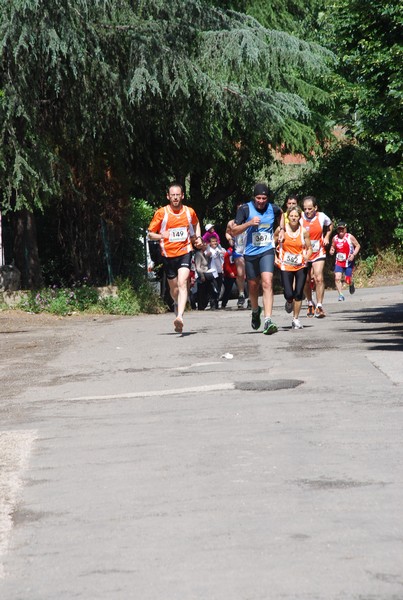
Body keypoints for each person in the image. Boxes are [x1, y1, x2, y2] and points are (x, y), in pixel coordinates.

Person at [148, 182, 202, 333]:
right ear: (168, 196)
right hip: (168, 255)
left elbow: (196, 224)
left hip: (185, 251)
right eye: (173, 195)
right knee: (175, 289)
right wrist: (161, 235)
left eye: (178, 195)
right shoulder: (161, 213)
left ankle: (180, 317)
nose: (176, 198)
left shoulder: (189, 212)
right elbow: (150, 234)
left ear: (182, 196)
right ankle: (177, 304)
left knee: (183, 282)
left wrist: (197, 237)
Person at [232, 183, 282, 334]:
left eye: (264, 198)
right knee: (253, 286)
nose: (261, 201)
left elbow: (282, 214)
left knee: (267, 282)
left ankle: (268, 320)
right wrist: (248, 223)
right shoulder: (245, 209)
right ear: (254, 197)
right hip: (250, 252)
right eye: (258, 198)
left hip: (267, 250)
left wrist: (282, 230)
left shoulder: (273, 208)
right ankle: (255, 310)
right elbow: (234, 230)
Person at [275, 206, 312, 329]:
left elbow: (310, 248)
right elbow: (271, 244)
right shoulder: (281, 231)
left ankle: (295, 319)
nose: (294, 218)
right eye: (291, 216)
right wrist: (274, 258)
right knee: (288, 293)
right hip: (286, 265)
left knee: (299, 293)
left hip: (300, 265)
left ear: (300, 217)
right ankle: (289, 301)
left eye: (296, 216)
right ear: (287, 217)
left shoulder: (304, 232)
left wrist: (307, 256)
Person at [301, 196, 333, 318]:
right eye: (305, 209)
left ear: (315, 208)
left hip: (318, 251)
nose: (307, 211)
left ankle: (319, 305)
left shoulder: (322, 216)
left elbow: (330, 225)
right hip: (304, 253)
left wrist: (327, 237)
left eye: (310, 209)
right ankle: (310, 302)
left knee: (319, 277)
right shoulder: (300, 217)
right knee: (306, 280)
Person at [329, 222, 360, 300]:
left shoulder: (350, 237)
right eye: (339, 229)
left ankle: (351, 283)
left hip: (348, 261)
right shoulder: (335, 238)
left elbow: (358, 245)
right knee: (337, 278)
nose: (341, 231)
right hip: (339, 261)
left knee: (347, 279)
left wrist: (353, 255)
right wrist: (331, 250)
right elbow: (333, 246)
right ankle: (341, 295)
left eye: (342, 229)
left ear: (345, 229)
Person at [225, 205, 248, 308]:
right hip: (238, 250)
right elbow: (227, 233)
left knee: (252, 274)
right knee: (240, 273)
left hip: (250, 250)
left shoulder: (250, 221)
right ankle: (241, 294)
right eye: (239, 209)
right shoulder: (231, 223)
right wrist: (230, 239)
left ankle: (251, 298)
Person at [204, 236, 225, 309]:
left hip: (219, 271)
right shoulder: (208, 250)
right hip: (212, 271)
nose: (215, 243)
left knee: (219, 288)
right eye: (213, 241)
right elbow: (206, 256)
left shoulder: (218, 249)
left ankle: (216, 302)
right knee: (213, 287)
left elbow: (224, 254)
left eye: (216, 241)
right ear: (210, 243)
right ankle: (212, 303)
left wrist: (223, 252)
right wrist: (207, 255)